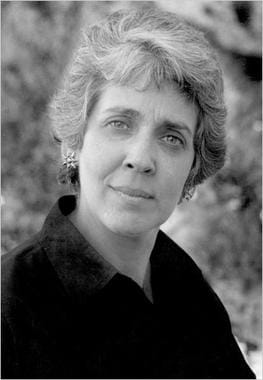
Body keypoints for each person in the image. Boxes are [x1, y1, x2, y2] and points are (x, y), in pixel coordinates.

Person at [1, 7, 256, 379]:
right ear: (76, 139)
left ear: (193, 167)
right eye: (119, 124)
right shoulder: (11, 307)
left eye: (172, 138)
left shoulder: (182, 285)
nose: (141, 159)